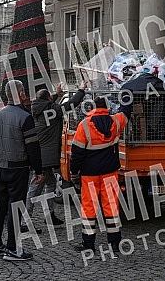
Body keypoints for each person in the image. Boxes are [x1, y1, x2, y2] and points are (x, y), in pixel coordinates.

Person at [22, 80, 87, 232]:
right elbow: (72, 103)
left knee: (50, 184)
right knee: (34, 189)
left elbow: (46, 101)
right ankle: (24, 222)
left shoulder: (36, 108)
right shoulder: (51, 110)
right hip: (45, 158)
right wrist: (82, 90)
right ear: (49, 100)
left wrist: (57, 94)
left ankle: (49, 215)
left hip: (43, 156)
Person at [70, 95, 132, 253]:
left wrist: (74, 172)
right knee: (111, 207)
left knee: (89, 208)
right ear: (107, 107)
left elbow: (76, 153)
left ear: (92, 108)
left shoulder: (84, 125)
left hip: (89, 174)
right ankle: (114, 244)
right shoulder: (116, 121)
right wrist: (126, 95)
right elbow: (126, 111)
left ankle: (88, 243)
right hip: (110, 173)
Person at [0, 80, 43, 261]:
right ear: (20, 94)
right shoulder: (25, 117)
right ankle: (12, 248)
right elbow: (33, 148)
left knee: (0, 206)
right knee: (15, 207)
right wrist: (39, 170)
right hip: (18, 168)